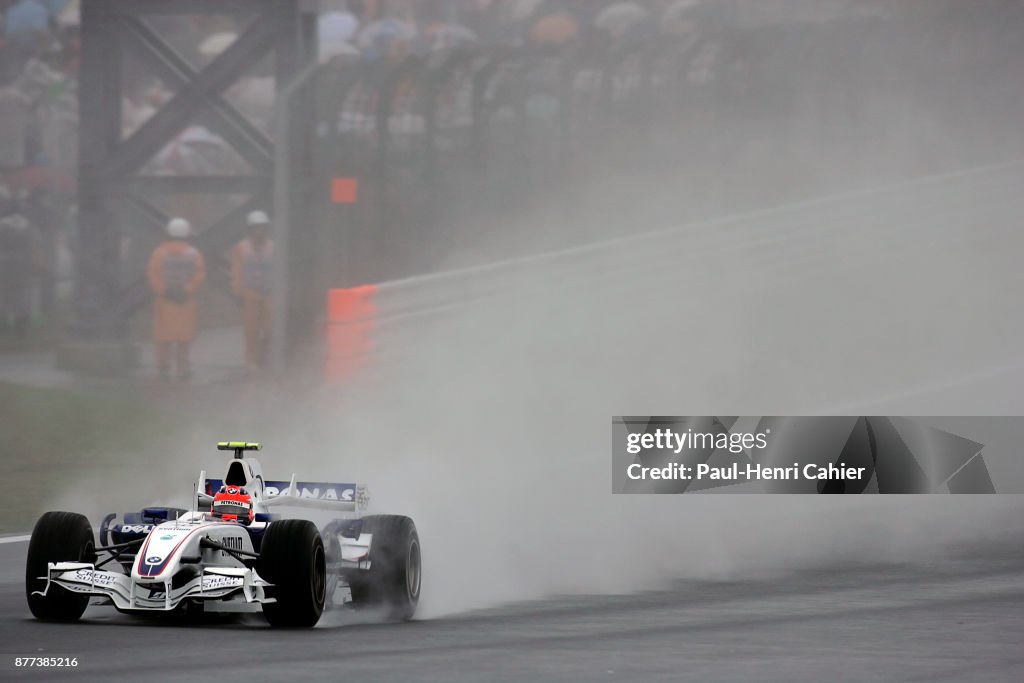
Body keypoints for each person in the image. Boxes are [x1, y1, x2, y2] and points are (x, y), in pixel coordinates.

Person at [146, 217, 205, 380]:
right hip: (186, 302)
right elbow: (199, 275)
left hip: (164, 302)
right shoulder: (194, 254)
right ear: (187, 234)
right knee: (184, 337)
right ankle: (183, 369)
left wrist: (165, 291)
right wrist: (187, 290)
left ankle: (163, 367)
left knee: (163, 336)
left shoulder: (159, 253)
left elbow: (152, 274)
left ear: (168, 234)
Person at [231, 210, 274, 371]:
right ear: (250, 229)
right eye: (256, 228)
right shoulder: (241, 248)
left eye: (262, 228)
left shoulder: (272, 247)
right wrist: (237, 292)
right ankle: (252, 360)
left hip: (268, 295)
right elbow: (236, 271)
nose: (259, 232)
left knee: (270, 328)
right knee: (251, 330)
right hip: (249, 295)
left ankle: (264, 353)